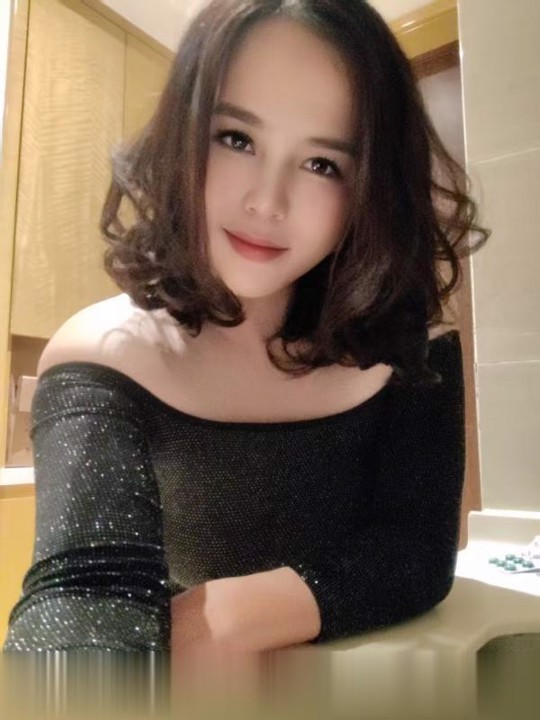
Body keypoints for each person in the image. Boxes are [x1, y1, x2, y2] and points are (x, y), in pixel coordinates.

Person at [4, 0, 488, 686]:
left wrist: (227, 614)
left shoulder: (411, 347)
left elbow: (415, 553)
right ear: (183, 137)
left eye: (322, 163)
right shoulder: (101, 354)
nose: (268, 201)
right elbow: (83, 596)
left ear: (370, 189)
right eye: (236, 138)